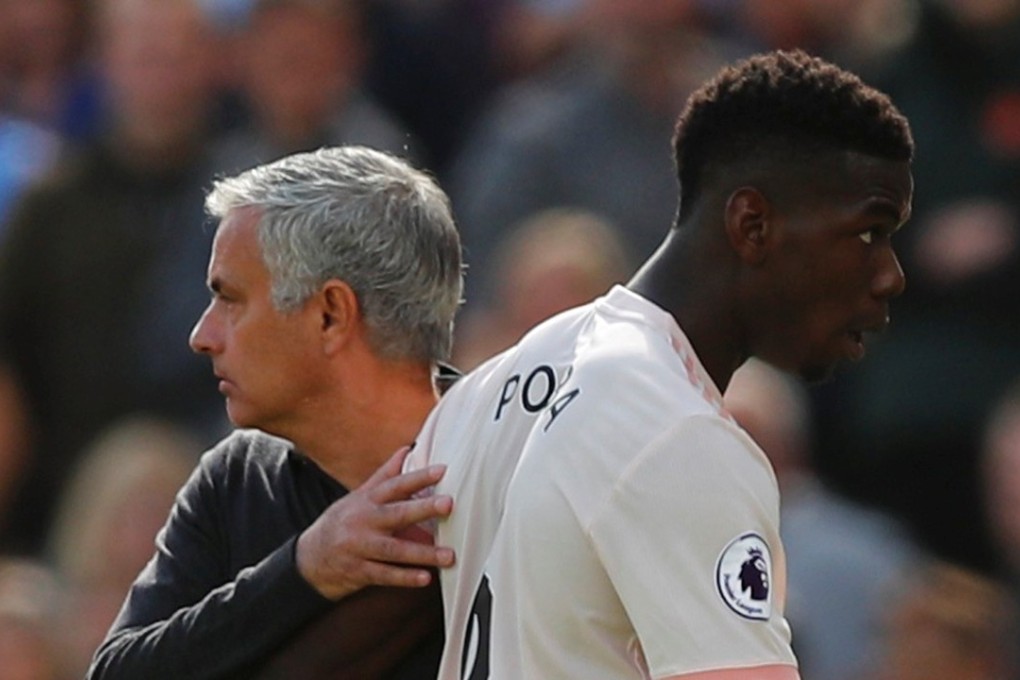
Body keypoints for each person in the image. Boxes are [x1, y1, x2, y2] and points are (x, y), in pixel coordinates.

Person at [405, 48, 914, 678]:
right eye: (869, 231)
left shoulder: (493, 383)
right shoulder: (677, 430)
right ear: (753, 224)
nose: (891, 275)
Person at [88, 146, 462, 678]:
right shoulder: (235, 481)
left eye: (230, 298)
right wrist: (304, 568)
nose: (201, 336)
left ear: (331, 315)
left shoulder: (515, 467)